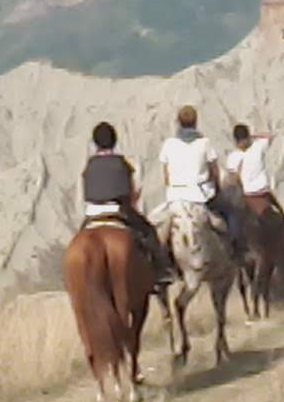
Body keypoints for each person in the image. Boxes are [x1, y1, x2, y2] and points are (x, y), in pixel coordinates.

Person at [82, 121, 172, 288]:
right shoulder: (122, 164)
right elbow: (129, 194)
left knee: (79, 240)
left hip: (93, 212)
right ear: (114, 141)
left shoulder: (90, 165)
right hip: (118, 210)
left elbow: (87, 193)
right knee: (149, 232)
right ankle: (161, 271)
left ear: (95, 143)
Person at [158, 105, 228, 237]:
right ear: (196, 122)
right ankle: (238, 249)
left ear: (178, 123)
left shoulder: (168, 144)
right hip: (201, 197)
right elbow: (215, 172)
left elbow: (166, 177)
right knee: (231, 214)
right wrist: (217, 189)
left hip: (175, 198)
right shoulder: (205, 143)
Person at [226, 124, 284, 233]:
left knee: (235, 220)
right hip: (265, 192)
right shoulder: (258, 146)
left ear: (236, 140)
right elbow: (269, 136)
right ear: (248, 136)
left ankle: (236, 241)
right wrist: (253, 136)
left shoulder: (233, 157)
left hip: (249, 196)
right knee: (282, 216)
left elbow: (232, 181)